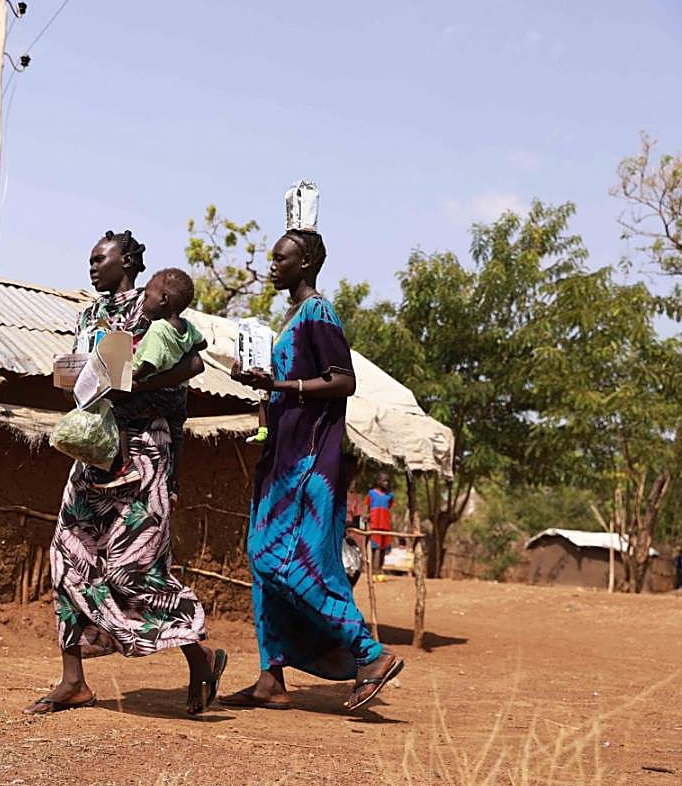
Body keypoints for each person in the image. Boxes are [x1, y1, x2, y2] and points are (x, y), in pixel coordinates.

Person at [24, 231, 227, 717]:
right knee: (67, 554)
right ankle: (73, 680)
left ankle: (199, 655)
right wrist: (72, 376)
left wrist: (133, 382)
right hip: (95, 450)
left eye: (100, 259)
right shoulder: (90, 315)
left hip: (143, 451)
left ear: (128, 261)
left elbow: (191, 368)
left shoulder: (156, 303)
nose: (92, 267)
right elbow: (82, 372)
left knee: (134, 570)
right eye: (90, 259)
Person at [224, 228, 403, 712]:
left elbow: (343, 380)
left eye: (281, 259)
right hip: (280, 457)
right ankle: (270, 676)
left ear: (305, 264)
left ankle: (370, 653)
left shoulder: (319, 313)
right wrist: (264, 385)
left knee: (280, 558)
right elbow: (288, 387)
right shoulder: (289, 318)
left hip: (308, 462)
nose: (271, 265)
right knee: (260, 559)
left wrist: (282, 383)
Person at [98, 268, 206, 492]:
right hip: (179, 394)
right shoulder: (186, 326)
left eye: (147, 297)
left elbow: (150, 363)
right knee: (177, 437)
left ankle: (126, 466)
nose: (143, 302)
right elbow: (201, 344)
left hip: (157, 394)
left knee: (118, 414)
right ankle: (174, 484)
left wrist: (132, 379)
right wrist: (180, 351)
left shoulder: (157, 329)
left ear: (164, 299)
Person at [367, 473, 395, 574]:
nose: (386, 483)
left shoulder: (390, 495)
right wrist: (368, 517)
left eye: (387, 481)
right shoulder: (371, 493)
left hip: (385, 524)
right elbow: (369, 507)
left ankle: (380, 569)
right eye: (384, 481)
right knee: (376, 547)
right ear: (378, 481)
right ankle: (375, 571)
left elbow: (390, 506)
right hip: (375, 524)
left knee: (384, 548)